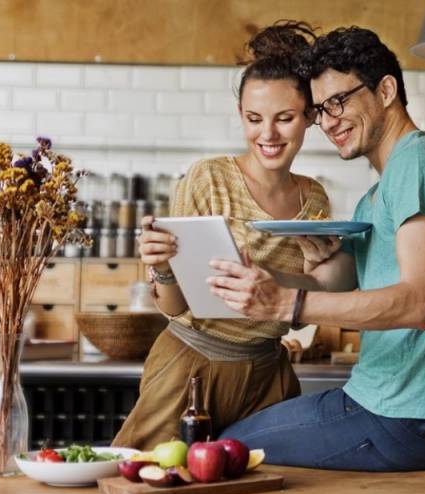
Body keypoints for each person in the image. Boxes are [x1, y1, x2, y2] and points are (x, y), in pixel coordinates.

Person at [209, 26, 425, 472]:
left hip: (410, 415)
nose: (328, 121)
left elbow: (419, 303)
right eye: (320, 110)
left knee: (226, 449)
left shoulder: (420, 161)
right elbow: (335, 282)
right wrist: (269, 277)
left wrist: (287, 302)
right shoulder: (377, 193)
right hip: (403, 411)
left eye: (339, 102)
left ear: (385, 90)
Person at [112, 21, 330, 453]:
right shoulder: (207, 179)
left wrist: (310, 276)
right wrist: (161, 267)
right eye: (254, 119)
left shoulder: (314, 198)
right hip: (189, 366)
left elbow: (302, 315)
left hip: (269, 375)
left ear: (309, 116)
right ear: (241, 116)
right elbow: (174, 307)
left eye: (284, 118)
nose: (267, 134)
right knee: (159, 491)